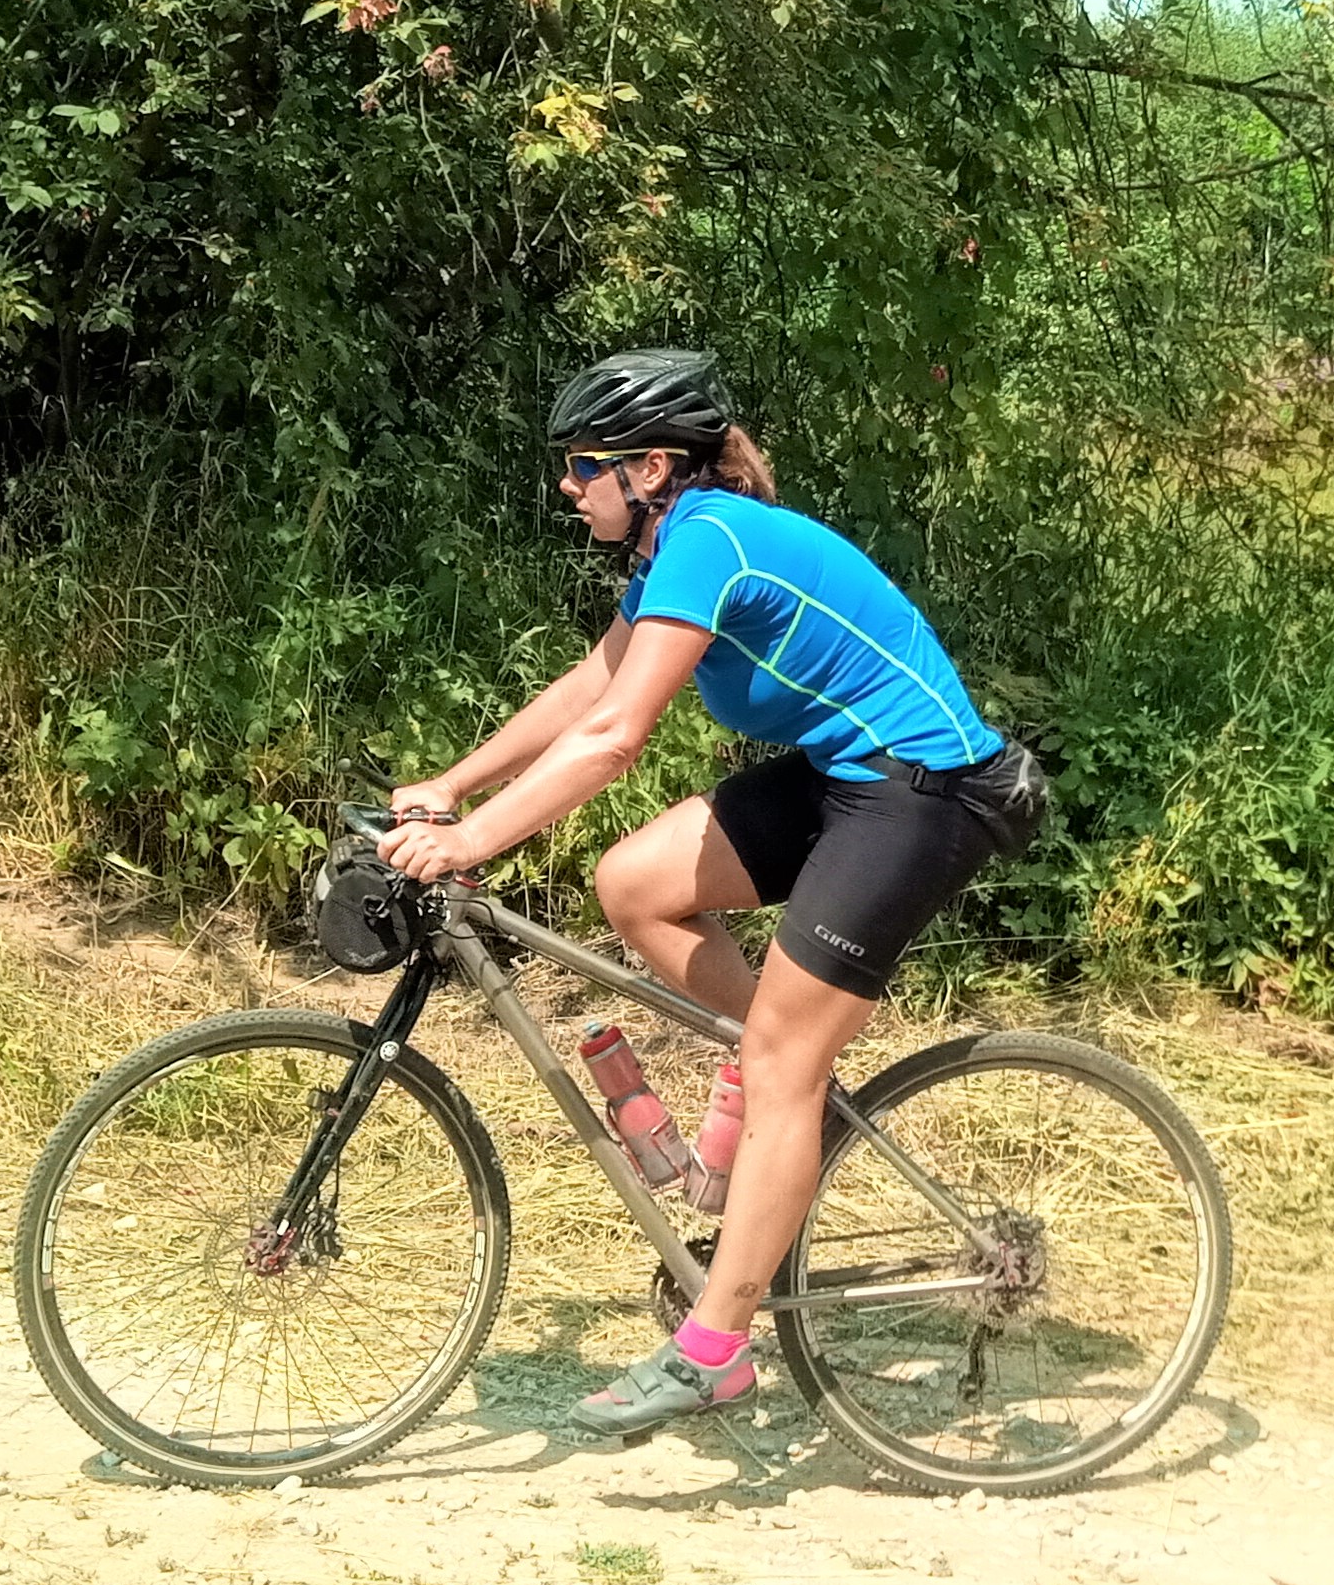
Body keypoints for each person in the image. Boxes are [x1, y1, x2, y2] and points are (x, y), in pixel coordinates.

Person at [376, 348, 1041, 1433]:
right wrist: (453, 787)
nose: (567, 485)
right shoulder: (673, 548)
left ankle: (718, 1349)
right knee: (633, 883)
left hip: (923, 793)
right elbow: (592, 684)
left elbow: (614, 736)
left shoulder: (711, 538)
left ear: (649, 469)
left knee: (780, 1063)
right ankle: (789, 1076)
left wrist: (475, 841)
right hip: (846, 776)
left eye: (583, 464)